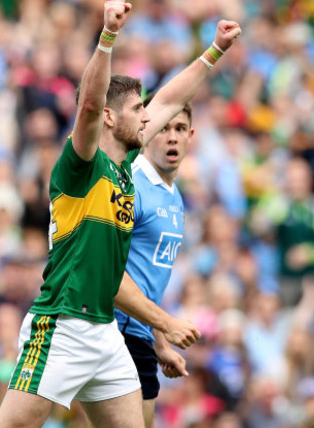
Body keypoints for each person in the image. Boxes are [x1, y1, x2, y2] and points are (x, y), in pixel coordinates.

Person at [0, 0, 240, 428]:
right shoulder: (81, 165)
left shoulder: (127, 167)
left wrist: (214, 51)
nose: (150, 117)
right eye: (138, 110)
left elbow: (172, 97)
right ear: (110, 117)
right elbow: (88, 105)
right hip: (62, 323)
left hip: (104, 332)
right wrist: (107, 37)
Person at [113, 94, 195, 428]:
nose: (172, 136)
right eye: (164, 127)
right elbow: (110, 267)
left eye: (181, 128)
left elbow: (146, 280)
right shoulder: (132, 184)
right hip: (114, 330)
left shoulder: (174, 196)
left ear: (191, 136)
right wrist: (165, 325)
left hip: (141, 336)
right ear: (147, 130)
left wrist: (159, 343)